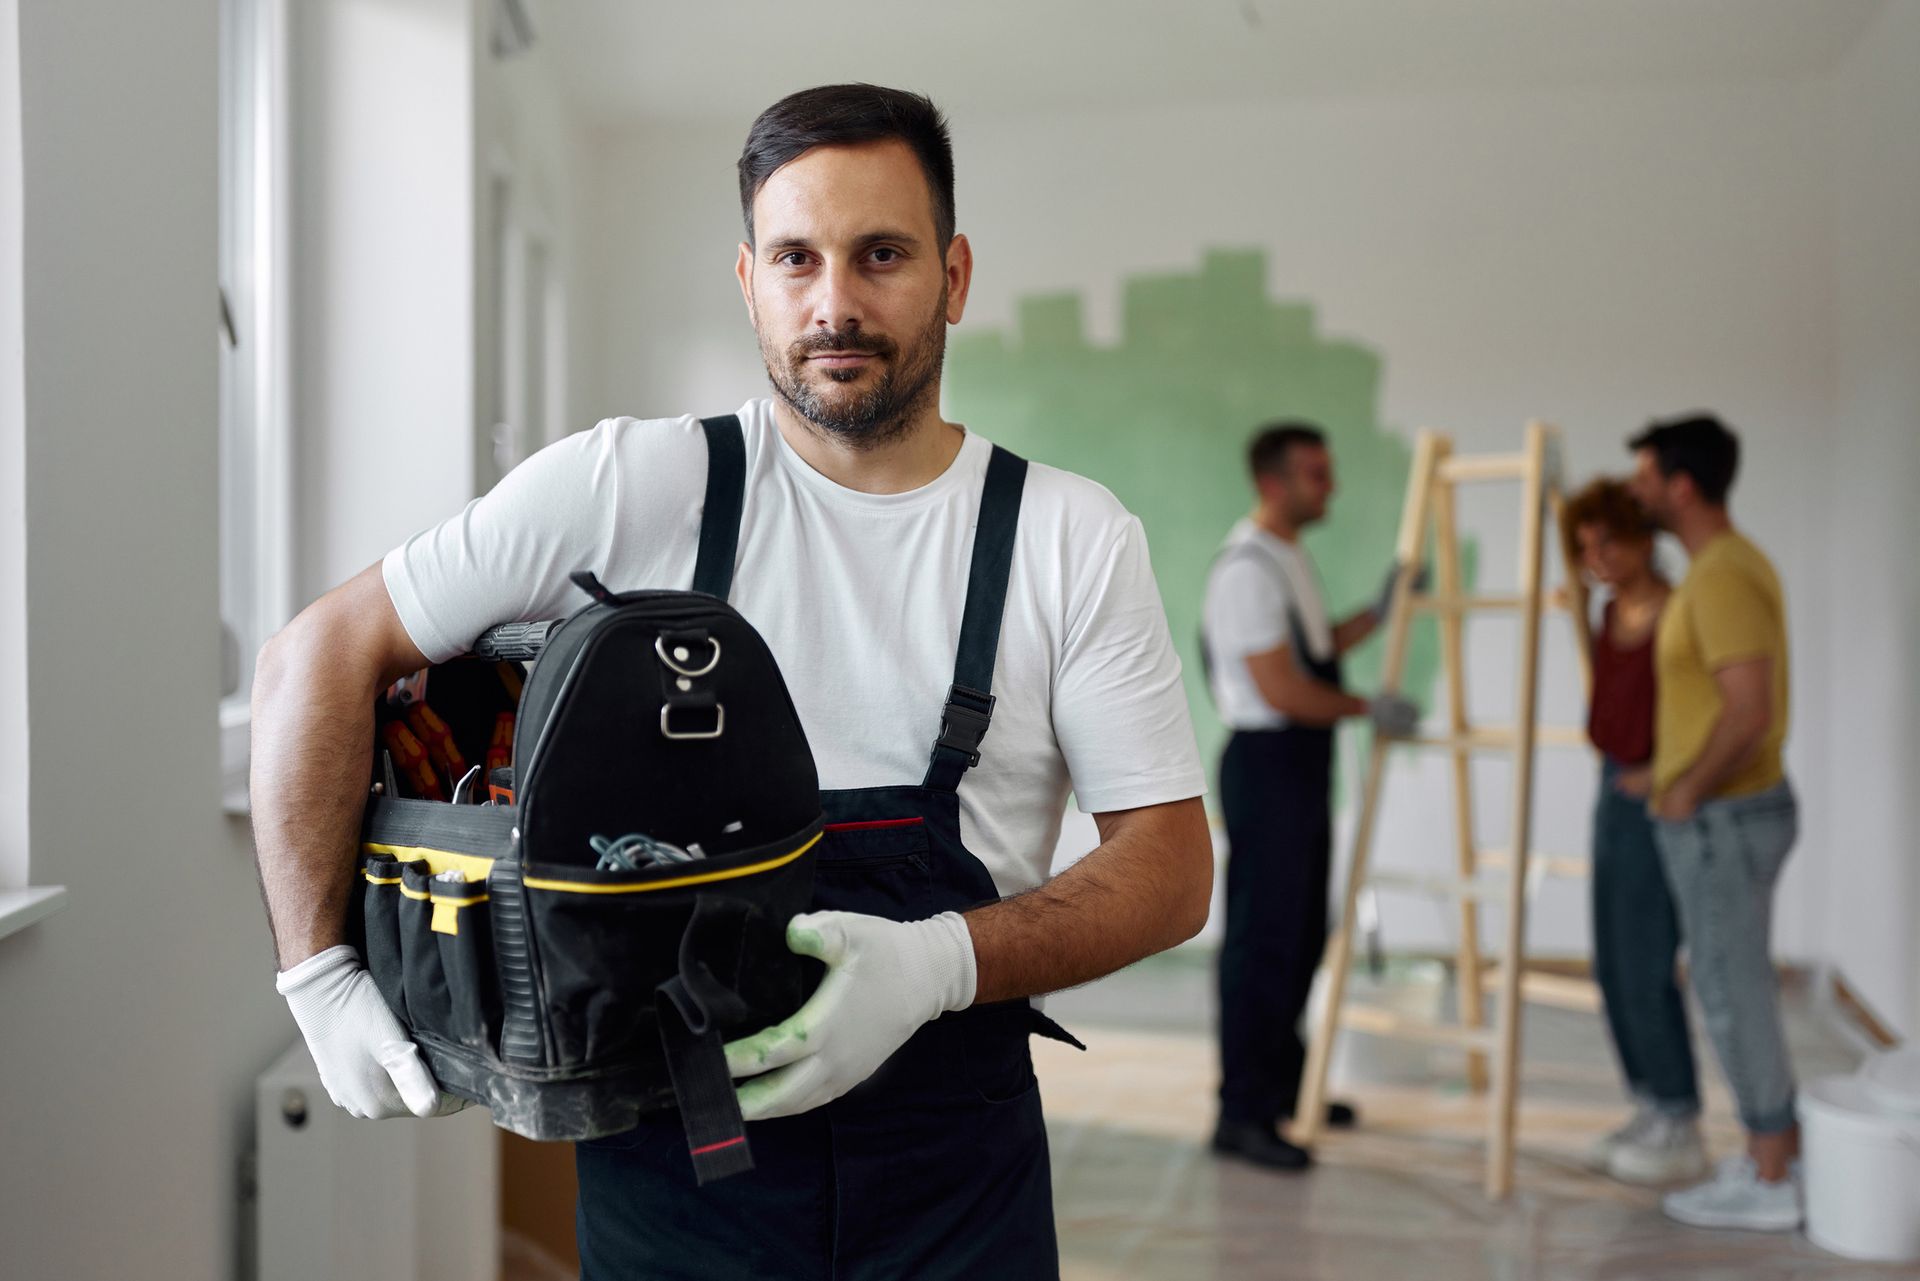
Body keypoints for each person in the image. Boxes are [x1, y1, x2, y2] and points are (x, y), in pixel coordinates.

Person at [251, 84, 1214, 1280]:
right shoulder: (625, 486)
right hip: (672, 1175)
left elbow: (1171, 870)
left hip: (956, 1177)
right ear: (751, 282)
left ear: (955, 277)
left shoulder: (1068, 536)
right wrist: (317, 972)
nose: (835, 302)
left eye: (882, 255)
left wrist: (937, 966)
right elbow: (317, 656)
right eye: (797, 258)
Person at [1200, 421, 1421, 1171]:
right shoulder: (1246, 570)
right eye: (1316, 475)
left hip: (1297, 765)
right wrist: (1367, 708)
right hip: (1269, 765)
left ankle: (1287, 1085)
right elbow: (1281, 686)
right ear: (1274, 483)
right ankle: (1242, 1112)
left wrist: (1380, 612)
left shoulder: (1287, 557)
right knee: (1263, 943)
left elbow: (1313, 647)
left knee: (1296, 937)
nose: (1331, 487)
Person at [1625, 414, 1801, 1231]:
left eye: (1645, 477)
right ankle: (1772, 1152)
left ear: (1682, 485)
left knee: (1733, 992)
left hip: (1722, 818)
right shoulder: (1715, 568)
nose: (1635, 491)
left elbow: (1748, 710)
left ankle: (1771, 1175)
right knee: (1733, 985)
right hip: (1721, 814)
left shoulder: (1724, 573)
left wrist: (1686, 789)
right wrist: (1663, 775)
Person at [1560, 478, 1706, 1185]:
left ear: (1645, 540)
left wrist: (1663, 771)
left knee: (1647, 959)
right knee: (1612, 962)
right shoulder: (1609, 611)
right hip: (1613, 788)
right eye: (1587, 547)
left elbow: (1708, 707)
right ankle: (1649, 1102)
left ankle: (1678, 1113)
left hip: (1658, 796)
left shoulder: (1678, 612)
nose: (1598, 558)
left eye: (1609, 543)